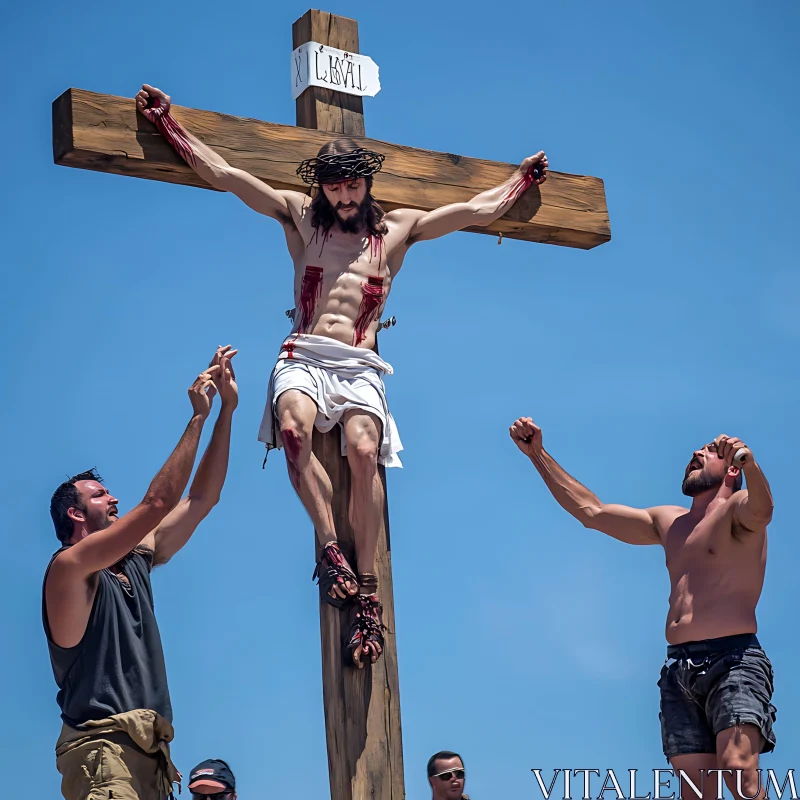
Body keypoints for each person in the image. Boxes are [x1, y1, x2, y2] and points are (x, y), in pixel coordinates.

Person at [134, 83, 548, 668]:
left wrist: (522, 181)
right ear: (321, 185)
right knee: (294, 434)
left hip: (359, 363)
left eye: (353, 184)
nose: (345, 195)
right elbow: (226, 174)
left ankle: (369, 592)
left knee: (363, 449)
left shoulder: (395, 230)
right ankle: (331, 549)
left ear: (367, 183)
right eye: (335, 185)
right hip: (304, 351)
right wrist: (169, 124)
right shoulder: (303, 219)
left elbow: (475, 211)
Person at [509, 418, 775, 800]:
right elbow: (592, 512)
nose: (695, 453)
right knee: (696, 793)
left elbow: (763, 509)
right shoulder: (669, 522)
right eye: (695, 452)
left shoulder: (740, 512)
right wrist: (538, 456)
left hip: (733, 659)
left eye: (709, 451)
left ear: (731, 468)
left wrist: (749, 462)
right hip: (679, 666)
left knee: (737, 772)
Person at [44, 346, 238, 800]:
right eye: (100, 495)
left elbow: (201, 499)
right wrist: (196, 418)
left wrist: (227, 410)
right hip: (102, 752)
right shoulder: (66, 571)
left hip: (150, 756)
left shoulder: (135, 558)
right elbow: (157, 503)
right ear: (75, 514)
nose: (113, 499)